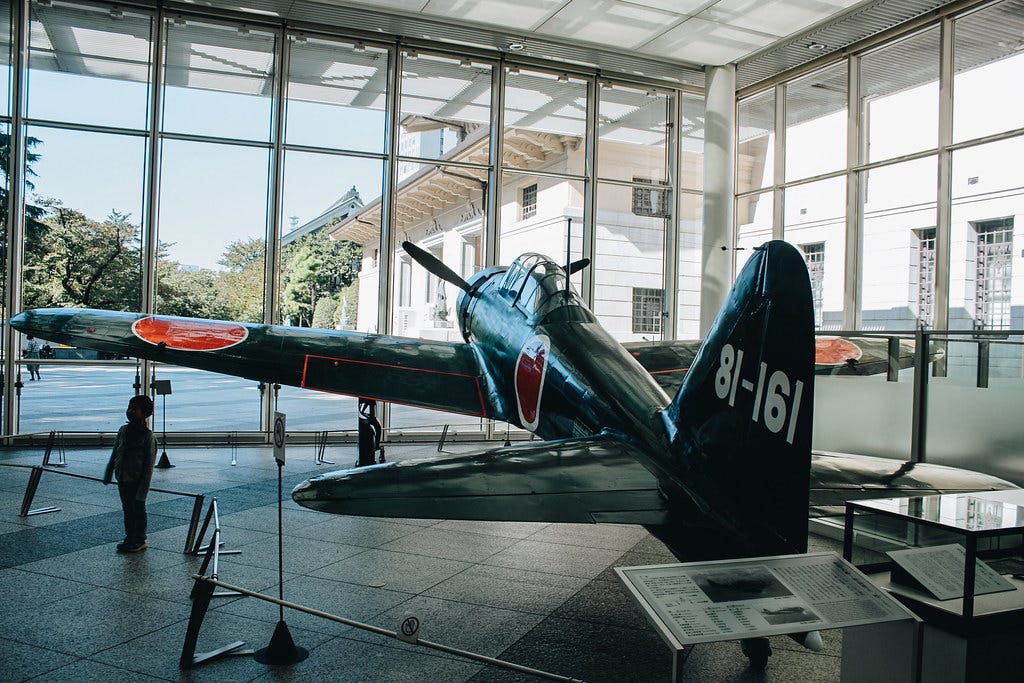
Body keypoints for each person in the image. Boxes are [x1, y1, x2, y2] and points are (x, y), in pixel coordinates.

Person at [103, 395, 157, 553]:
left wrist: (143, 492)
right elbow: (115, 452)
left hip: (137, 481)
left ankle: (140, 539)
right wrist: (109, 471)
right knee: (127, 509)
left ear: (145, 413)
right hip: (123, 478)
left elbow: (148, 468)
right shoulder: (123, 430)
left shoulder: (148, 437)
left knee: (138, 509)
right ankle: (129, 537)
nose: (130, 411)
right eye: (129, 408)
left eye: (135, 409)